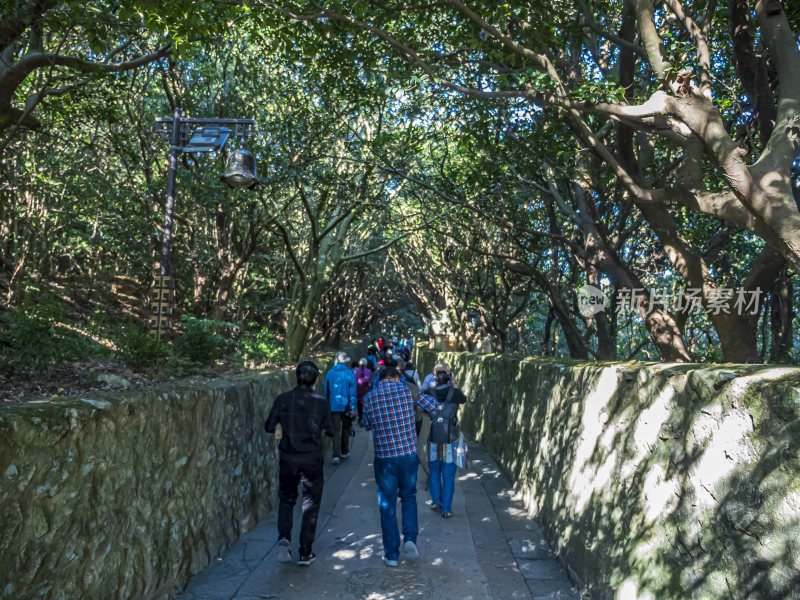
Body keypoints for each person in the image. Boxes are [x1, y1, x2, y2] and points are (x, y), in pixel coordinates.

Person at [362, 367, 437, 567]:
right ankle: (410, 539)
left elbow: (366, 424)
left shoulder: (370, 397)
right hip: (407, 456)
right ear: (396, 378)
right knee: (409, 497)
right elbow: (433, 404)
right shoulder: (406, 391)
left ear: (380, 379)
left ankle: (391, 555)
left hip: (385, 458)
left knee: (386, 505)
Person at [265, 360, 333, 566]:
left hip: (288, 458)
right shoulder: (321, 402)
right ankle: (305, 552)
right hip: (312, 459)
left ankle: (284, 538)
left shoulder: (283, 399)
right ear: (316, 380)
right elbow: (330, 430)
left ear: (296, 378)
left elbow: (269, 426)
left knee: (286, 499)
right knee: (310, 504)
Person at [425, 368, 467, 518]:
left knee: (434, 471)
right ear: (449, 378)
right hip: (450, 440)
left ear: (434, 378)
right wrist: (454, 384)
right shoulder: (454, 393)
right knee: (448, 476)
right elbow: (464, 399)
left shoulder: (429, 393)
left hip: (432, 438)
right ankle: (446, 509)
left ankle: (436, 501)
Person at [324, 351, 358, 464]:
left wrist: (327, 403)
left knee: (336, 429)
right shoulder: (350, 374)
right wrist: (353, 407)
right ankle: (344, 451)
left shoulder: (330, 373)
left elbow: (326, 390)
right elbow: (353, 393)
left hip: (333, 405)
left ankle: (336, 455)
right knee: (346, 428)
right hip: (346, 405)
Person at [353, 358, 372, 424]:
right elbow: (369, 381)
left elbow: (354, 381)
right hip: (366, 390)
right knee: (365, 404)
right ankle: (365, 418)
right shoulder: (369, 371)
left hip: (358, 390)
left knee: (359, 404)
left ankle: (360, 418)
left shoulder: (355, 371)